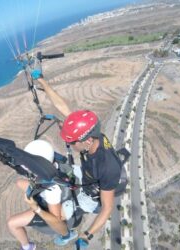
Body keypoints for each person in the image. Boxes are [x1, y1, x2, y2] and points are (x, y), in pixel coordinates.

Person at [31, 71, 125, 248]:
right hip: (84, 174)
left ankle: (66, 234)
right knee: (54, 164)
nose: (70, 144)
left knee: (56, 217)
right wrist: (43, 81)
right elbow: (64, 108)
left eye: (72, 142)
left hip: (88, 196)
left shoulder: (107, 168)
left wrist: (87, 235)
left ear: (86, 140)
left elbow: (107, 208)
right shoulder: (92, 135)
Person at [6, 139, 78, 250]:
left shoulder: (52, 191)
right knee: (19, 182)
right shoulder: (55, 163)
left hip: (46, 207)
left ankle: (27, 247)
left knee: (12, 224)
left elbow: (56, 219)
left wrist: (36, 208)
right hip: (45, 190)